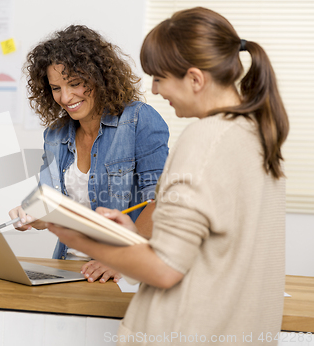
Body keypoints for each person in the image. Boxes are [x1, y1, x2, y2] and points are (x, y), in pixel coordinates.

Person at [47, 7, 289, 345]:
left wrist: (74, 234)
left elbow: (163, 269)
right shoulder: (259, 135)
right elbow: (214, 247)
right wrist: (133, 235)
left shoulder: (204, 140)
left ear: (194, 79)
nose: (156, 91)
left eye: (160, 78)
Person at [9, 25, 169, 283]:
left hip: (123, 272)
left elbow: (161, 202)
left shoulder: (139, 120)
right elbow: (50, 209)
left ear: (99, 76)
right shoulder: (55, 135)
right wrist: (30, 216)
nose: (65, 97)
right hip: (67, 268)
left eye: (75, 84)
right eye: (56, 88)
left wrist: (123, 258)